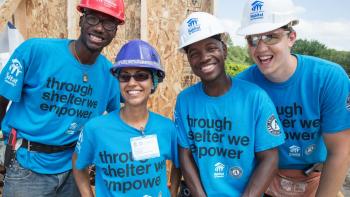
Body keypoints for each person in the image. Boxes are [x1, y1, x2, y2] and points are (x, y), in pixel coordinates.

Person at [0, 0, 125, 196]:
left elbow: (118, 120)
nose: (100, 28)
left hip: (73, 170)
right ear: (81, 20)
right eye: (93, 18)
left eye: (109, 23)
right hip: (27, 166)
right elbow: (2, 98)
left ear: (115, 32)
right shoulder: (35, 51)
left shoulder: (110, 74)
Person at [236, 0, 350, 196]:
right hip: (262, 179)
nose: (261, 48)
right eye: (253, 39)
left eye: (271, 37)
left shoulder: (328, 78)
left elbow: (340, 151)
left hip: (315, 179)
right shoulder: (242, 86)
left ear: (291, 37)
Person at [175, 11, 285, 196]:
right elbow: (184, 154)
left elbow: (269, 159)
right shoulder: (185, 100)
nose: (204, 57)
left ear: (224, 50)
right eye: (194, 53)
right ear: (189, 59)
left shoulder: (255, 98)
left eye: (211, 48)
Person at [72, 39, 180, 197]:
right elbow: (78, 163)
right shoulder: (96, 129)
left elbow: (179, 164)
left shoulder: (167, 128)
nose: (132, 83)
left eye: (141, 76)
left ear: (153, 82)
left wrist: (173, 192)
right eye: (124, 77)